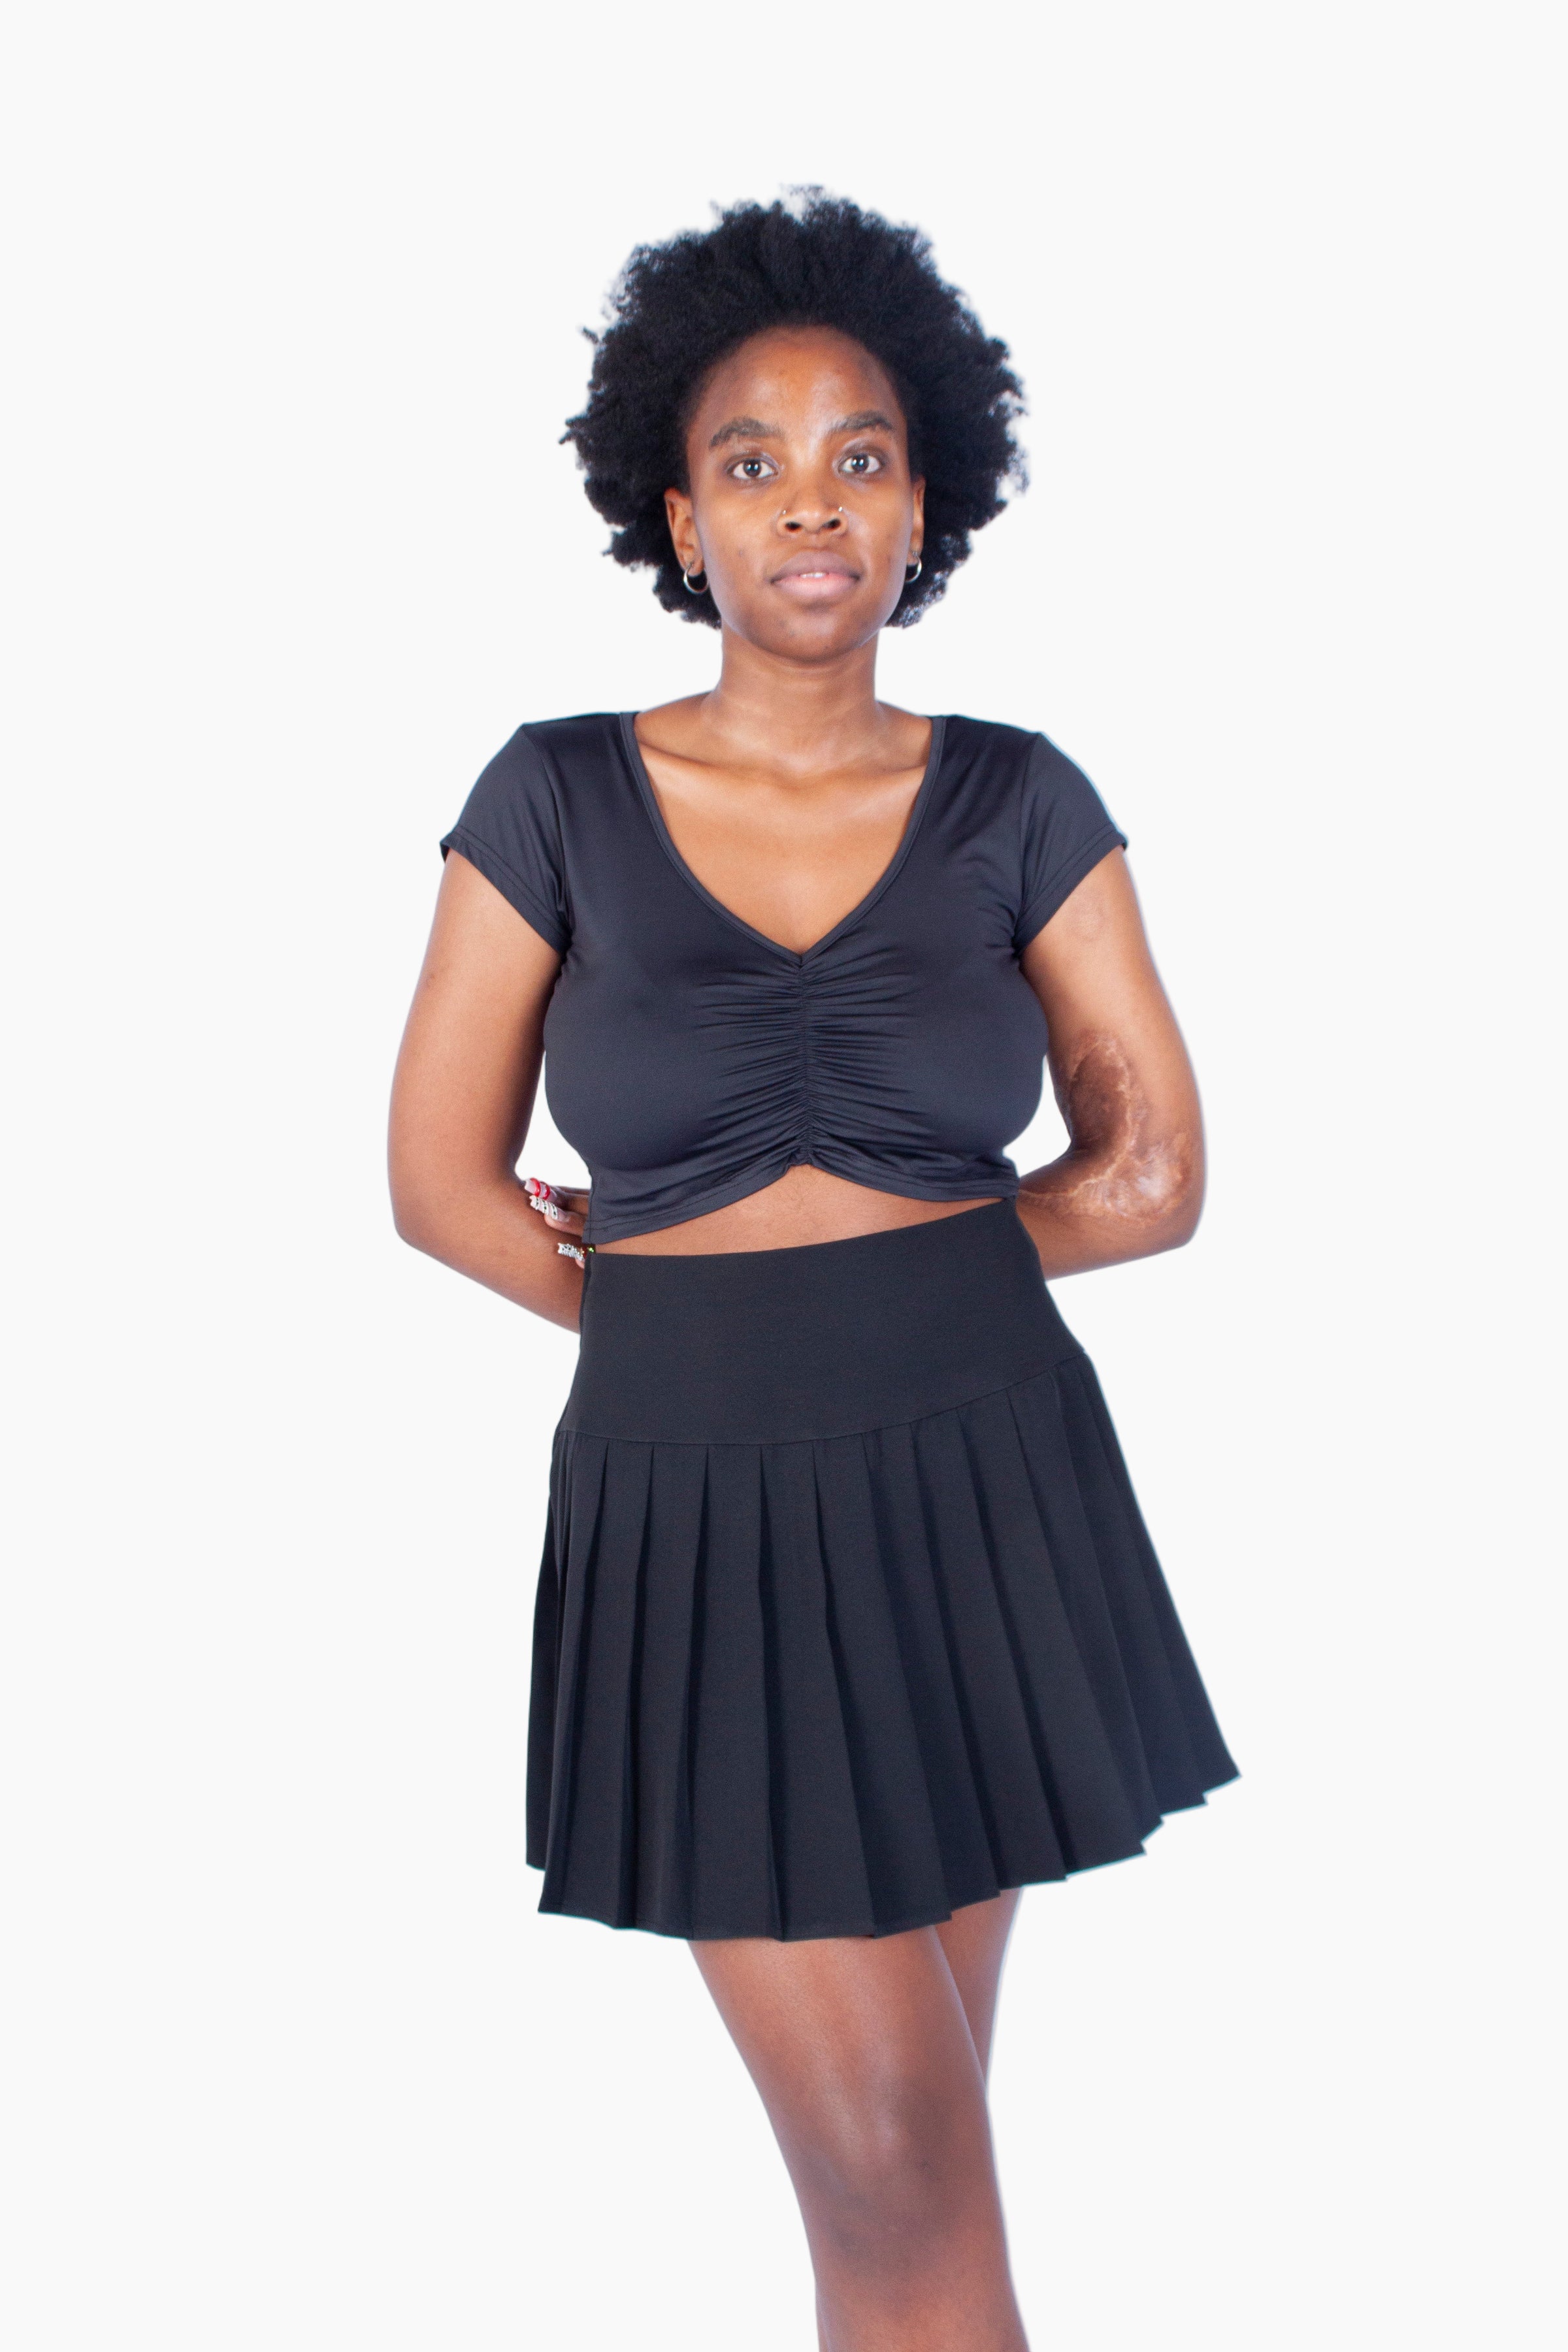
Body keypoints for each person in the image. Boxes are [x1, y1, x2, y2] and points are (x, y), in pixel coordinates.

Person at [389, 191, 1237, 2352]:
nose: (810, 500)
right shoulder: (554, 797)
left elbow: (1151, 1176)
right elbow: (439, 1184)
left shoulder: (1019, 800)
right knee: (899, 2182)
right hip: (700, 1515)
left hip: (987, 1491)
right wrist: (711, 1318)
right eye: (751, 462)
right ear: (680, 522)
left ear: (923, 504)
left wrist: (887, 1291)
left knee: (912, 2195)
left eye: (860, 455)